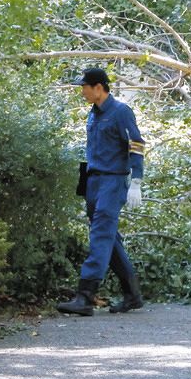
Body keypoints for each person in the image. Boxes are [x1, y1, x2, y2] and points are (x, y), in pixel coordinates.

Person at [57, 67, 147, 317]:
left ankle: (85, 296)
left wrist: (136, 181)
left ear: (98, 87)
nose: (82, 91)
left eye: (84, 87)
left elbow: (136, 145)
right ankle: (133, 294)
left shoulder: (120, 112)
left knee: (100, 235)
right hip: (93, 181)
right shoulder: (93, 114)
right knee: (109, 237)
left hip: (112, 182)